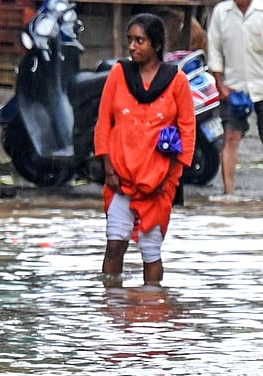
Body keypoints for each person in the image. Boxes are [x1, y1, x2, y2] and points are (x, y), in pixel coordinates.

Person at [94, 13, 195, 286]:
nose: (133, 46)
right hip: (119, 178)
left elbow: (188, 132)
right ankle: (111, 303)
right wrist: (108, 169)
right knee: (114, 244)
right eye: (130, 40)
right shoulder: (119, 74)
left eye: (140, 41)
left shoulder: (177, 81)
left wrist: (170, 179)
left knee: (151, 252)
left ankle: (152, 306)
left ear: (156, 45)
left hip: (159, 182)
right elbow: (104, 123)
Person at [205, 0, 263, 199]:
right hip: (233, 88)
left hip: (261, 85)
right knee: (230, 137)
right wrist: (220, 85)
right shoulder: (221, 12)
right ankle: (229, 192)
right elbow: (215, 51)